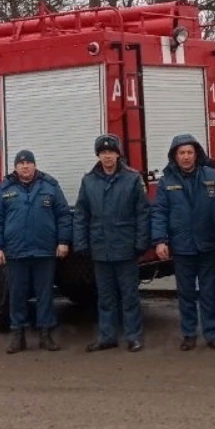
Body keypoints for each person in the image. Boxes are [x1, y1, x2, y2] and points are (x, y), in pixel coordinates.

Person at [0, 149, 72, 353]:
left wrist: (63, 241)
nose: (25, 166)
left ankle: (46, 335)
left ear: (35, 165)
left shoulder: (50, 185)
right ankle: (18, 336)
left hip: (44, 251)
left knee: (45, 295)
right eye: (21, 163)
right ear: (15, 167)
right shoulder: (5, 188)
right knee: (17, 295)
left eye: (29, 163)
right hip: (16, 252)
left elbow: (63, 215)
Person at [72, 134, 150, 353]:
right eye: (103, 152)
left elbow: (142, 213)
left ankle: (133, 337)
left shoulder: (133, 179)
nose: (107, 156)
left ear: (118, 154)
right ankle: (107, 337)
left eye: (111, 152)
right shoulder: (88, 181)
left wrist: (141, 243)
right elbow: (81, 215)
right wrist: (81, 244)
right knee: (105, 297)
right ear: (98, 155)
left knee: (129, 296)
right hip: (100, 248)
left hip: (126, 247)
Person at [151, 133, 215, 350]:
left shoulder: (212, 176)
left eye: (189, 152)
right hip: (182, 246)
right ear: (175, 156)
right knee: (185, 293)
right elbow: (159, 212)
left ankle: (212, 334)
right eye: (181, 153)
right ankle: (189, 334)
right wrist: (160, 241)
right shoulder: (166, 181)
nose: (186, 157)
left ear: (196, 154)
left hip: (207, 244)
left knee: (209, 292)